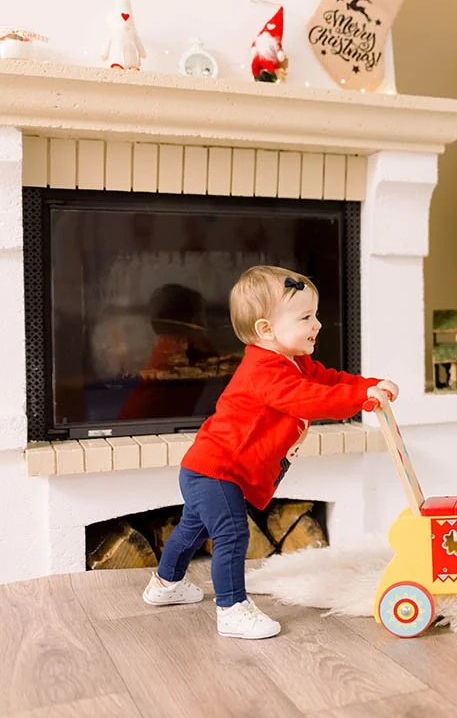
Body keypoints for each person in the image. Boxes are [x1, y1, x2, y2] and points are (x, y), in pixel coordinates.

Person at [141, 265, 398, 639]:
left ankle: (164, 585)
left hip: (211, 467)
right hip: (216, 470)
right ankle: (231, 608)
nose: (318, 324)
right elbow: (309, 399)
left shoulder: (293, 362)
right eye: (306, 317)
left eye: (316, 315)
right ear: (266, 330)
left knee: (190, 530)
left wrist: (369, 385)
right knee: (230, 533)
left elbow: (327, 379)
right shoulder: (264, 371)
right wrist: (360, 398)